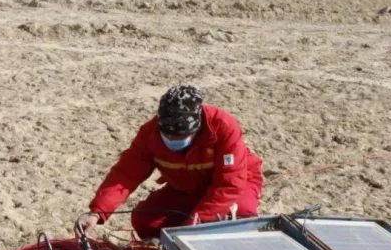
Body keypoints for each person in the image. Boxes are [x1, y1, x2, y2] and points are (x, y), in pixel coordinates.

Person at [76, 86, 264, 240]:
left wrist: (193, 224)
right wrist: (97, 212)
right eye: (167, 134)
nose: (173, 139)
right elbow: (126, 173)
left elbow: (229, 184)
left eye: (180, 135)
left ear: (196, 127)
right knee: (144, 220)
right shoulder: (149, 134)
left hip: (236, 184)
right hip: (185, 188)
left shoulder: (223, 127)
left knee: (242, 212)